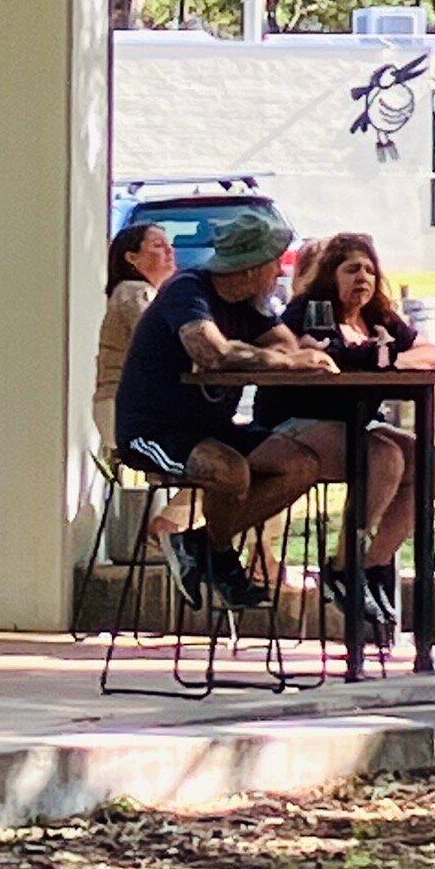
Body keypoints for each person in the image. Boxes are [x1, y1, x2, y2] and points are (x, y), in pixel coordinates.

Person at [116, 204, 337, 609]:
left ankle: (203, 546)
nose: (280, 274)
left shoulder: (251, 304)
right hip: (155, 430)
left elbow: (286, 343)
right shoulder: (188, 289)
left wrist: (278, 354)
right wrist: (283, 361)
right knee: (229, 471)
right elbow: (210, 350)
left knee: (302, 463)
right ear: (252, 268)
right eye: (274, 265)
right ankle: (218, 558)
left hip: (212, 427)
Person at [256, 233, 435, 622]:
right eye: (352, 269)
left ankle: (373, 565)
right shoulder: (308, 312)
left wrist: (398, 359)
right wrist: (386, 356)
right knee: (384, 457)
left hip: (354, 424)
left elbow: (433, 353)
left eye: (370, 270)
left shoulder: (379, 319)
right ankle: (342, 567)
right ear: (331, 275)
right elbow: (329, 358)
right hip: (295, 425)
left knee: (432, 462)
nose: (363, 277)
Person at [93, 223, 177, 453]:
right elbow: (158, 338)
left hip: (122, 408)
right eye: (158, 245)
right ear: (131, 257)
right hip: (127, 409)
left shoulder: (135, 291)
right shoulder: (135, 291)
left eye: (171, 245)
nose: (170, 251)